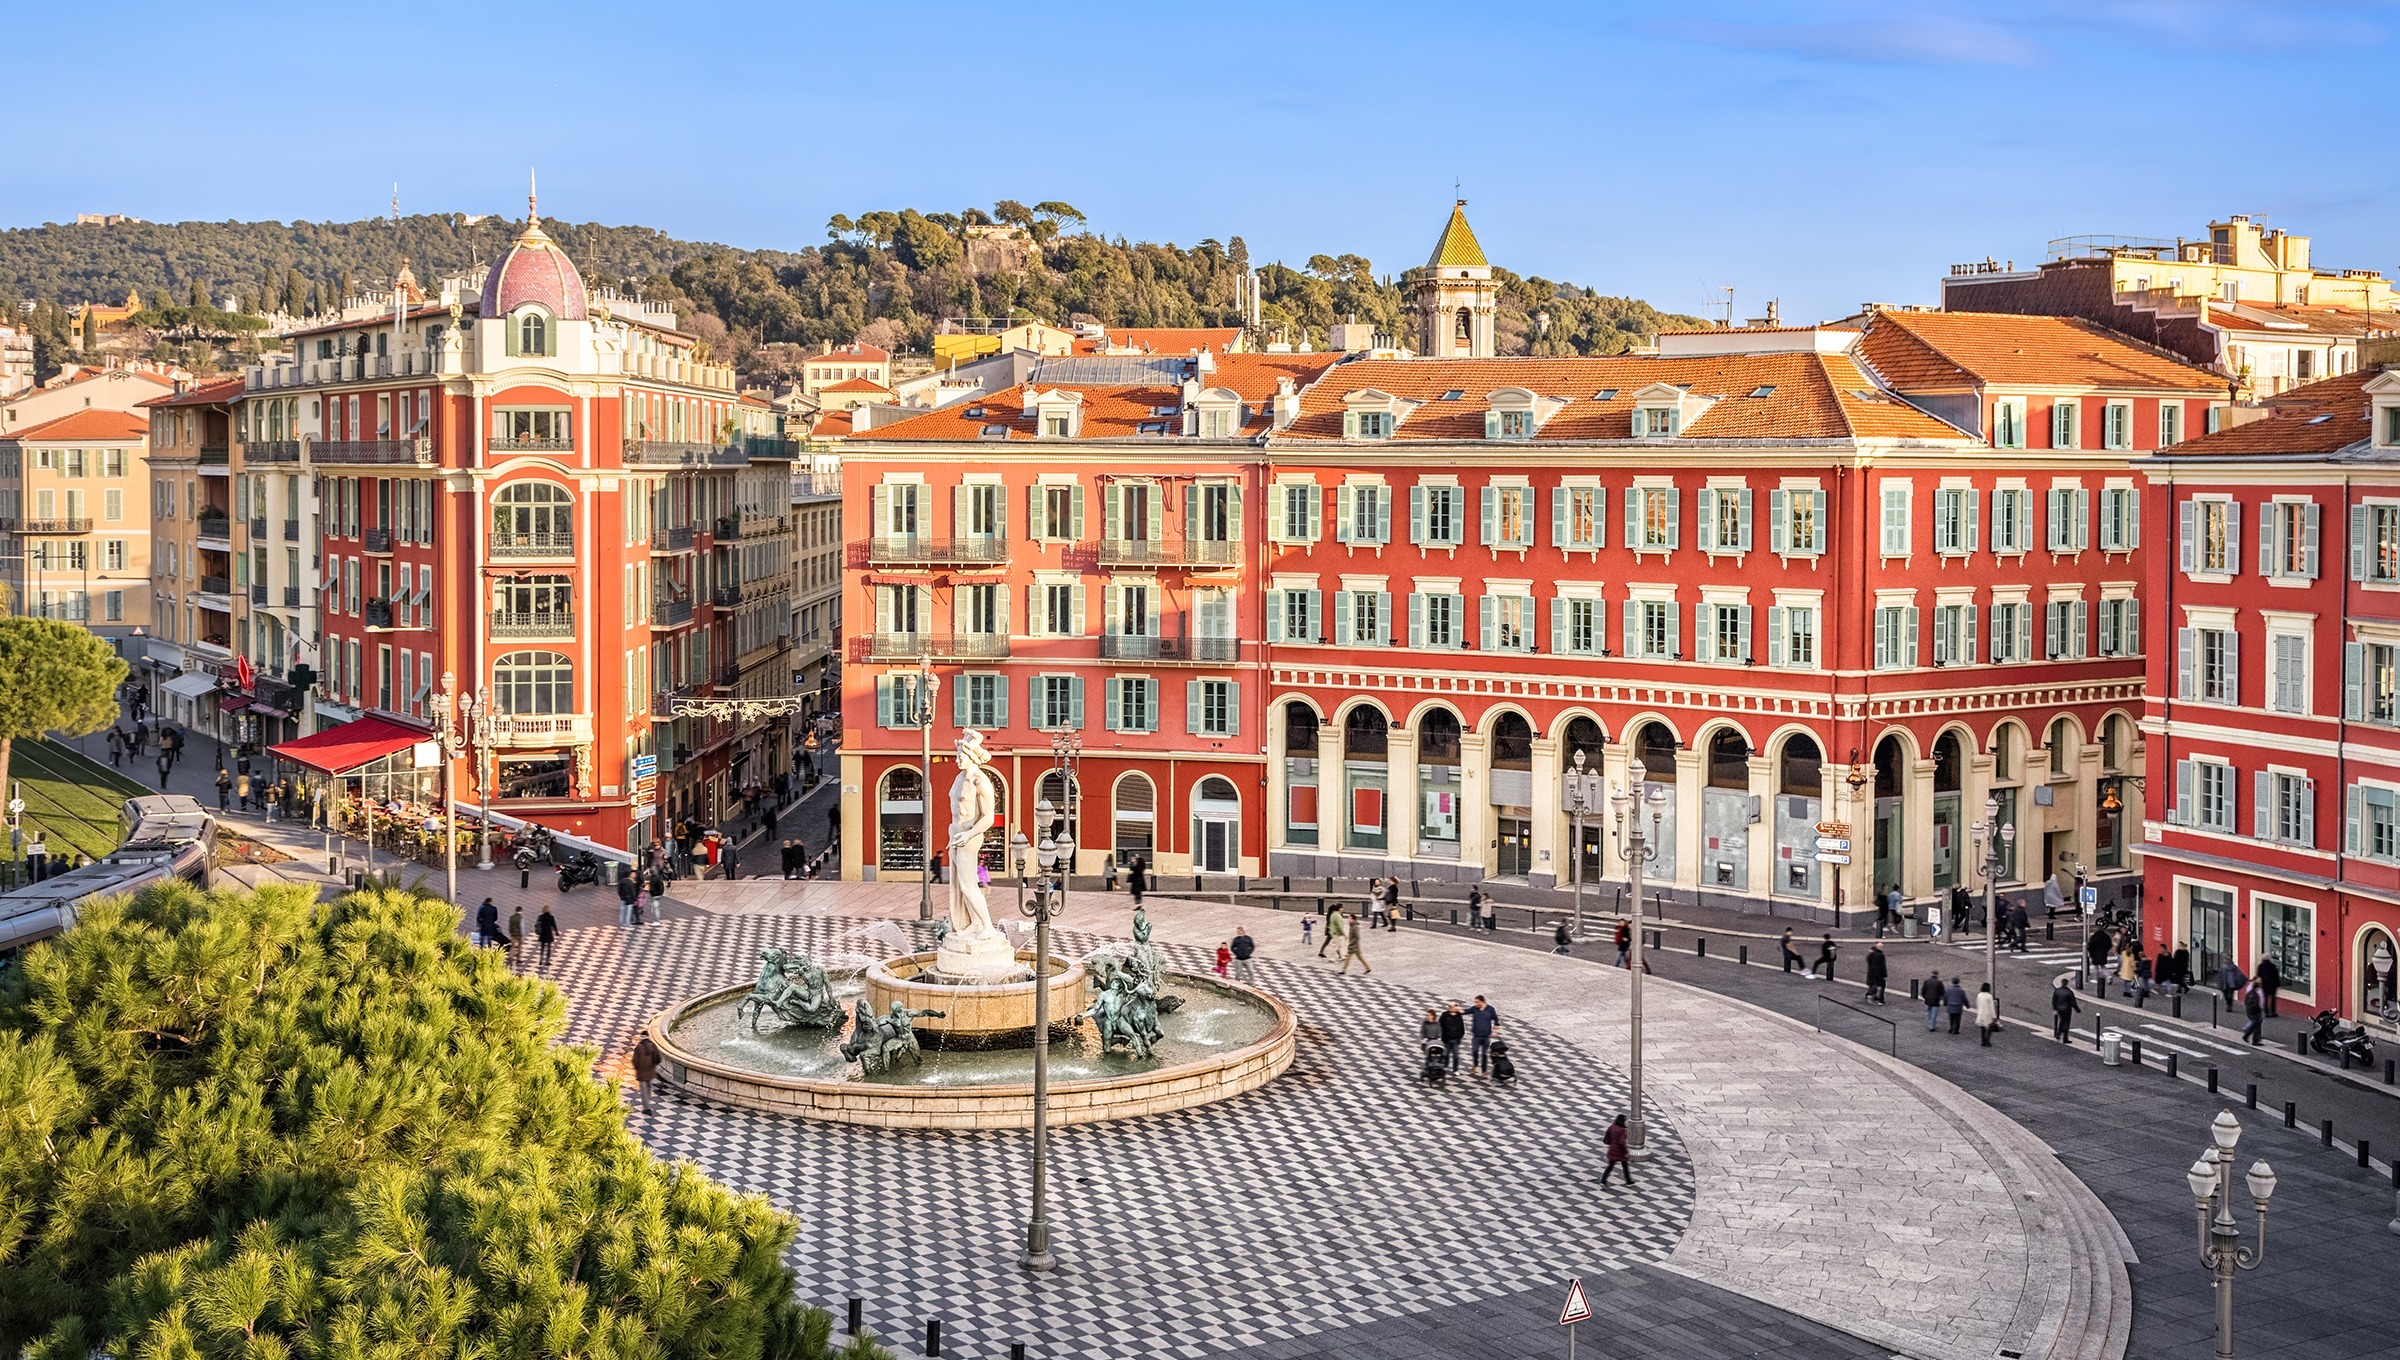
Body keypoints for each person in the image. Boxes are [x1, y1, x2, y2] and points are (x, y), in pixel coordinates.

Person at [629, 1033, 662, 1113]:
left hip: (642, 1072)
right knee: (648, 1088)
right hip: (651, 1072)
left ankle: (646, 1108)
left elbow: (635, 1060)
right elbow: (659, 1058)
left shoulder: (639, 1047)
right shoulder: (653, 1045)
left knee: (643, 1090)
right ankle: (648, 1105)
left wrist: (637, 1068)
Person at [1468, 995, 1500, 1073]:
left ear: (1482, 1001)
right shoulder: (1475, 1009)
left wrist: (1495, 1031)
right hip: (1476, 1035)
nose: (1476, 1004)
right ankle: (1475, 1064)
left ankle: (1484, 1070)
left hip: (1486, 1036)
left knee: (1484, 1054)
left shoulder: (1490, 1009)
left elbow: (1496, 1021)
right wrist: (1455, 1009)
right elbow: (1465, 1011)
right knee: (1475, 1050)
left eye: (1477, 1002)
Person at [1600, 1114, 1632, 1186]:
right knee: (1625, 1166)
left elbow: (1607, 1133)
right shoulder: (1622, 1130)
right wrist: (1625, 1152)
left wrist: (1608, 1141)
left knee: (1610, 1166)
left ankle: (1603, 1181)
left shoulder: (1613, 1126)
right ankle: (1628, 1181)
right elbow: (1622, 1143)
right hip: (1620, 1152)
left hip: (1612, 1149)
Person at [1339, 910, 1370, 975]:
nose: (1348, 919)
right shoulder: (1352, 926)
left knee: (1348, 958)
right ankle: (1367, 968)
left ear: (1352, 919)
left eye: (1349, 918)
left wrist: (1352, 943)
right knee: (1359, 957)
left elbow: (1357, 936)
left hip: (1353, 946)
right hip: (1355, 946)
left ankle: (1343, 970)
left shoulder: (1354, 927)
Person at [1437, 1003, 1465, 1072]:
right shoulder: (1444, 1015)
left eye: (1452, 1007)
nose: (1450, 1008)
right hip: (1446, 1039)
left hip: (1456, 1039)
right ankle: (1445, 1066)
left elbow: (1461, 1026)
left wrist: (1460, 1035)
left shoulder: (1458, 1015)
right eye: (1449, 1006)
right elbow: (1439, 1025)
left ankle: (1455, 1070)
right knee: (1446, 1054)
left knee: (1456, 1055)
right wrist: (1440, 1035)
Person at [2241, 981, 2265, 1046]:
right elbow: (2256, 1005)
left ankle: (2247, 1036)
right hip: (2255, 1012)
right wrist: (2259, 1011)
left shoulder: (2249, 993)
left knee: (2255, 1025)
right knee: (2256, 1026)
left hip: (2249, 1011)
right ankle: (2253, 1040)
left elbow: (2245, 1001)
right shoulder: (2255, 995)